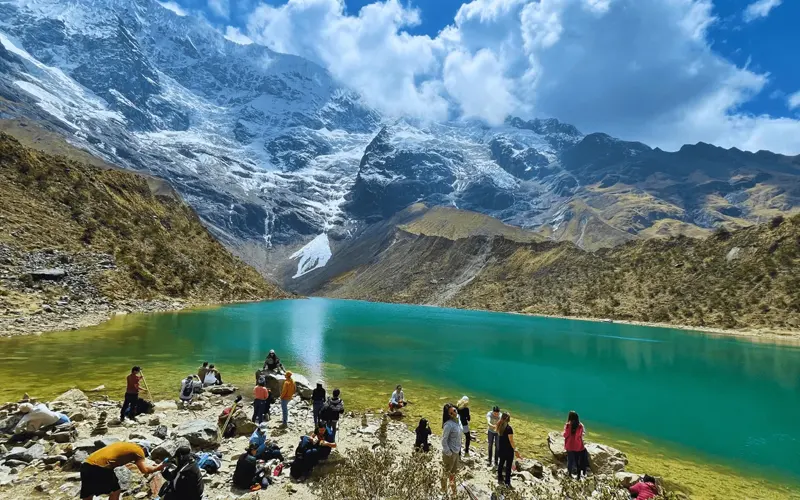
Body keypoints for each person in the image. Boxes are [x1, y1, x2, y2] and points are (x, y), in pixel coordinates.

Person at [80, 441, 165, 500]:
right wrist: (158, 467)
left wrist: (152, 467)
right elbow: (144, 470)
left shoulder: (124, 445)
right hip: (101, 467)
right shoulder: (139, 450)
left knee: (88, 493)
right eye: (145, 453)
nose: (144, 456)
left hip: (86, 464)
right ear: (144, 449)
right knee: (115, 491)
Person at [441, 403, 462, 497]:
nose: (454, 413)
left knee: (453, 474)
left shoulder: (457, 421)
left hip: (456, 452)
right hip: (450, 453)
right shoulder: (448, 425)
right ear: (448, 415)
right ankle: (443, 491)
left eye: (454, 410)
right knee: (446, 473)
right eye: (451, 413)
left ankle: (454, 492)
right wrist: (448, 452)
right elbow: (444, 440)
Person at [497, 412, 521, 488]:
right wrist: (515, 450)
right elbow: (511, 441)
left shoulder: (499, 426)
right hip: (508, 450)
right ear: (508, 419)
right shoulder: (509, 428)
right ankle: (507, 482)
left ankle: (499, 477)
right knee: (508, 466)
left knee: (501, 463)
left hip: (501, 448)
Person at [564, 410, 587, 478]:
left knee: (570, 460)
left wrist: (563, 434)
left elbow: (566, 435)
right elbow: (583, 434)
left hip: (570, 445)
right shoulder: (580, 426)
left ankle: (569, 474)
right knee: (577, 461)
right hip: (578, 446)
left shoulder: (568, 425)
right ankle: (578, 476)